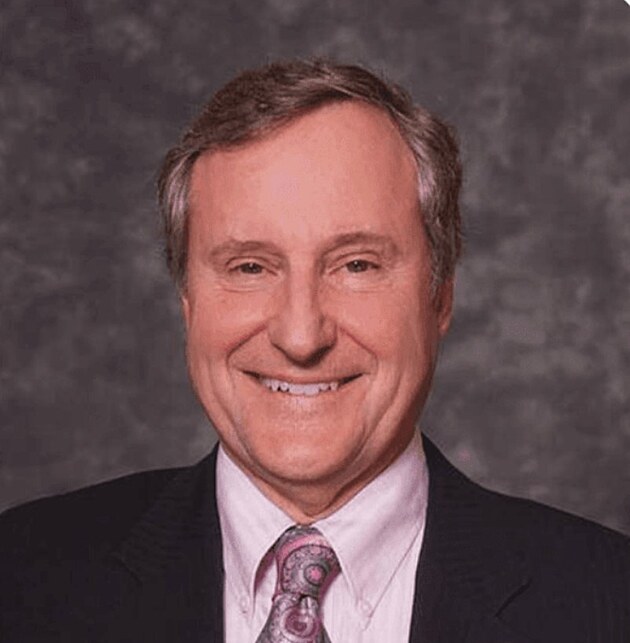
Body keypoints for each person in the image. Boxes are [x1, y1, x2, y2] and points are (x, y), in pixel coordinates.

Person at [1, 59, 628, 643]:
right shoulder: (22, 580)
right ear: (188, 302)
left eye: (356, 265)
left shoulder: (607, 602)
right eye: (249, 267)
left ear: (440, 297)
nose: (301, 337)